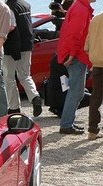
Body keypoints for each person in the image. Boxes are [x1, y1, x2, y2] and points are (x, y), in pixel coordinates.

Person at [57, 0, 95, 135]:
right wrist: (72, 55)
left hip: (76, 55)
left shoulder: (79, 6)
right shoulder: (81, 8)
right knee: (75, 92)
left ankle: (67, 123)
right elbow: (75, 35)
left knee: (77, 91)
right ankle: (66, 124)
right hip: (76, 56)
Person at [2, 0, 42, 116]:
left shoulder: (8, 7)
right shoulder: (26, 5)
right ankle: (35, 97)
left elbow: (10, 27)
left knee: (9, 78)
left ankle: (14, 107)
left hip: (12, 45)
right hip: (27, 44)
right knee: (25, 75)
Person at [84, 9, 103, 140]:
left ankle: (92, 130)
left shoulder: (95, 19)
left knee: (96, 97)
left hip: (97, 63)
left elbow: (87, 45)